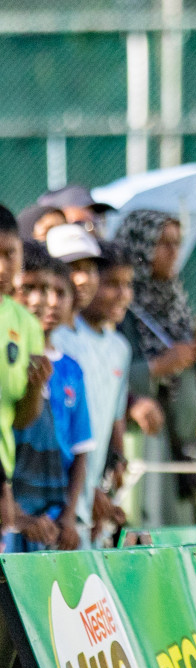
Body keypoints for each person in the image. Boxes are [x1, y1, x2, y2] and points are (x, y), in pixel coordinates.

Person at [116, 209, 196, 527]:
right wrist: (158, 366)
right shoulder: (120, 306)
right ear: (140, 246)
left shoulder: (176, 303)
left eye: (177, 242)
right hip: (146, 439)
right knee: (151, 523)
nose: (173, 251)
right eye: (162, 243)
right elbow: (110, 377)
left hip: (183, 443)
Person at [52, 240, 149, 546]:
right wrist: (86, 491)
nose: (123, 294)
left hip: (89, 502)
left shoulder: (120, 348)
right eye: (112, 284)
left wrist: (115, 464)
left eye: (128, 285)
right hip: (58, 497)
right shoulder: (59, 338)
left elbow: (113, 415)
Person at [11, 244, 92, 551]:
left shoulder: (70, 369)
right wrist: (14, 514)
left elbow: (81, 449)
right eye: (29, 288)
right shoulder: (9, 357)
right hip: (12, 513)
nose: (42, 301)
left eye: (53, 291)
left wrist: (68, 517)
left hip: (51, 520)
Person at [0, 206, 51, 542]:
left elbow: (20, 419)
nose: (3, 267)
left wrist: (35, 387)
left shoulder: (28, 325)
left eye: (10, 254)